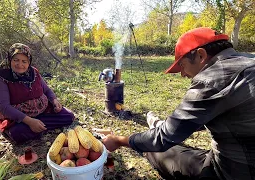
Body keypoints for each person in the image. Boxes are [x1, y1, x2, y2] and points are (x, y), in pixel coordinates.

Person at [102, 27, 255, 180]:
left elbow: (162, 138)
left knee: (156, 151)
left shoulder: (213, 78)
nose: (182, 74)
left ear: (201, 55)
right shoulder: (249, 61)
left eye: (182, 65)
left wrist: (118, 140)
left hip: (234, 172)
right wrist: (169, 126)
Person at [0, 43, 75, 144]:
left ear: (29, 62)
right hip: (19, 118)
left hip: (43, 111)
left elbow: (47, 90)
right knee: (18, 133)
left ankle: (39, 126)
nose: (20, 65)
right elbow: (4, 107)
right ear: (10, 59)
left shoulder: (34, 72)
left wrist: (54, 100)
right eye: (16, 60)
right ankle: (37, 126)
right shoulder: (0, 78)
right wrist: (30, 121)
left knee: (69, 116)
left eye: (24, 61)